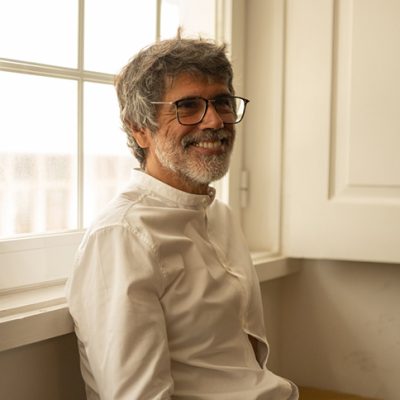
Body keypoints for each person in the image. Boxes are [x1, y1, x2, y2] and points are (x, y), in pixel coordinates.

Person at [66, 34, 298, 400]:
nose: (215, 121)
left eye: (222, 102)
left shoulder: (219, 216)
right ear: (139, 128)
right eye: (188, 106)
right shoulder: (121, 236)